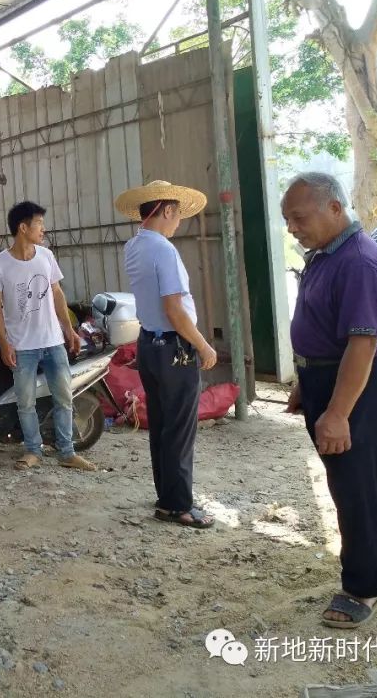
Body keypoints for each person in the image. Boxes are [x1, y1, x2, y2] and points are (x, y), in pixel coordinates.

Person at [282, 172, 377, 628]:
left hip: (358, 387)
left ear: (334, 209)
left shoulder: (360, 262)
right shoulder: (327, 254)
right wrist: (307, 380)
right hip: (330, 379)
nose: (292, 228)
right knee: (364, 480)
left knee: (353, 489)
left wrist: (338, 411)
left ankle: (363, 586)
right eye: (287, 219)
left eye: (298, 217)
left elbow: (361, 346)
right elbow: (323, 325)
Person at [116, 180, 218, 529]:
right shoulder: (163, 249)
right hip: (175, 347)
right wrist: (203, 344)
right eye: (178, 216)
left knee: (162, 424)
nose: (178, 223)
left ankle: (167, 496)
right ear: (167, 210)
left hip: (149, 343)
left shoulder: (134, 246)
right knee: (179, 427)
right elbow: (175, 308)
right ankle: (178, 505)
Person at [0, 201, 95, 473]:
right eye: (39, 224)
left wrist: (69, 330)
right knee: (26, 402)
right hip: (22, 347)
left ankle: (66, 451)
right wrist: (4, 342)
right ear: (23, 228)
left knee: (63, 398)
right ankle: (33, 450)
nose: (43, 230)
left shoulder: (46, 256)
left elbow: (57, 294)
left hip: (53, 341)